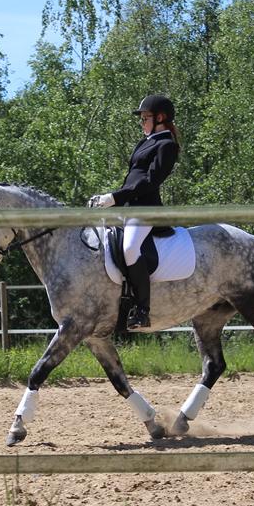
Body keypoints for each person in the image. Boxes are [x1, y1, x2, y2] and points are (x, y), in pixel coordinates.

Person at [88, 94, 180, 330]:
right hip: (128, 209)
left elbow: (150, 181)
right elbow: (133, 179)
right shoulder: (145, 142)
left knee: (130, 248)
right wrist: (108, 200)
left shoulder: (167, 145)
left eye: (145, 118)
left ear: (160, 118)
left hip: (147, 210)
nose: (142, 123)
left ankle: (142, 309)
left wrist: (115, 197)